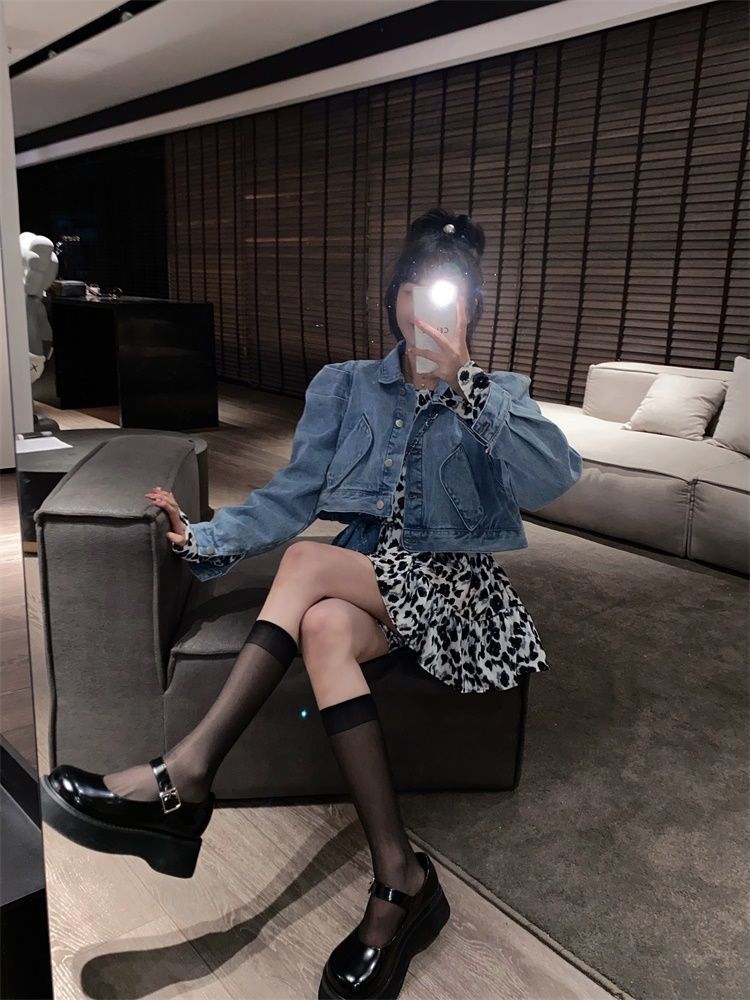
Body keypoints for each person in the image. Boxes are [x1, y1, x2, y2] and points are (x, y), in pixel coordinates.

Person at [41, 208, 583, 1000]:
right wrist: (204, 537)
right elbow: (291, 496)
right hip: (367, 579)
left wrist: (466, 379)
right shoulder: (347, 386)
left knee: (305, 564)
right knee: (324, 622)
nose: (424, 307)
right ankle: (400, 878)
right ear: (392, 298)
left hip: (454, 592)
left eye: (446, 293)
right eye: (412, 287)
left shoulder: (496, 394)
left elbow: (554, 478)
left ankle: (188, 773)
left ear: (470, 307)